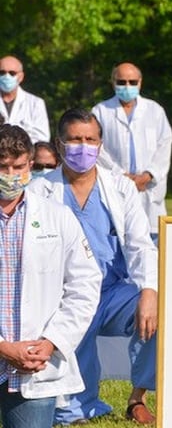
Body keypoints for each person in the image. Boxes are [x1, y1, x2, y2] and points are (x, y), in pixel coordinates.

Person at [27, 108, 159, 425]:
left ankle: (136, 398)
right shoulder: (39, 191)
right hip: (63, 295)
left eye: (90, 139)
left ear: (100, 145)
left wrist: (149, 291)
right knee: (67, 400)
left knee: (163, 310)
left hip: (112, 293)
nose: (83, 146)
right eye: (74, 139)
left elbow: (140, 244)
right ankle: (76, 409)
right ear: (59, 145)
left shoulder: (121, 188)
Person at [0, 124, 101, 428]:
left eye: (18, 167)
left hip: (35, 363)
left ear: (30, 165)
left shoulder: (57, 216)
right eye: (2, 166)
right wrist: (4, 348)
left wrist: (51, 342)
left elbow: (85, 285)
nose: (10, 175)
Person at [92, 61, 172, 240]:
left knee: (152, 245)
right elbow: (96, 148)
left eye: (132, 82)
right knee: (119, 237)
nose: (127, 86)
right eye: (121, 82)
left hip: (149, 189)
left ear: (140, 82)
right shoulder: (100, 111)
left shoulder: (154, 110)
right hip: (116, 185)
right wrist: (121, 175)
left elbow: (165, 144)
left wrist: (148, 175)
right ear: (113, 82)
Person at [0, 56, 50, 144]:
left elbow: (42, 138)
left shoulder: (36, 103)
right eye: (2, 72)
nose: (6, 76)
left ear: (21, 76)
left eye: (12, 73)